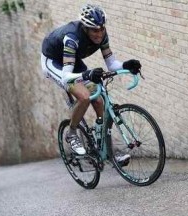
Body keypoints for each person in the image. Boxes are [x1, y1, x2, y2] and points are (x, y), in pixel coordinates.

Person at [41, 4, 141, 158]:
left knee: (99, 101)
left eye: (101, 29)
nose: (99, 34)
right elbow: (66, 76)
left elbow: (111, 64)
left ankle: (105, 150)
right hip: (55, 62)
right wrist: (87, 75)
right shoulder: (72, 38)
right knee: (84, 96)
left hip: (72, 60)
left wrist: (126, 65)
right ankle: (72, 133)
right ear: (85, 28)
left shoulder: (102, 34)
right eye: (94, 30)